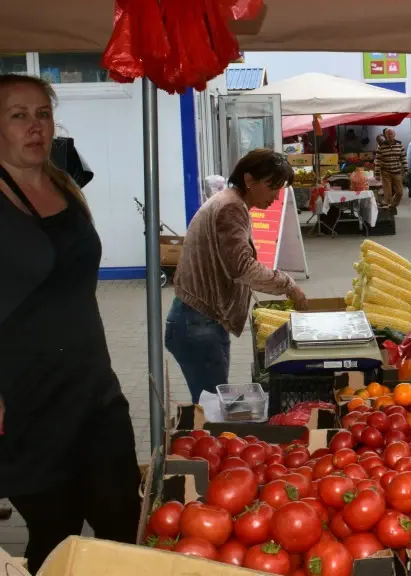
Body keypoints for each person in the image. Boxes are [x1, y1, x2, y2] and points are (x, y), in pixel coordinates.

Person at [0, 74, 141, 571]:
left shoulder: (63, 182)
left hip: (93, 390)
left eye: (43, 113)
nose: (35, 126)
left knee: (123, 520)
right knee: (54, 535)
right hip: (26, 401)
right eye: (18, 115)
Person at [166, 149, 308, 404]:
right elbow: (243, 268)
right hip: (198, 323)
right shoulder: (231, 208)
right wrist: (289, 285)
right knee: (210, 409)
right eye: (271, 187)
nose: (276, 197)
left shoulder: (230, 202)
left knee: (211, 403)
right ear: (249, 180)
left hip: (200, 320)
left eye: (280, 189)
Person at [374, 128, 407, 215]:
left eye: (391, 133)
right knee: (388, 194)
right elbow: (377, 160)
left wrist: (406, 169)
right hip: (386, 172)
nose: (390, 135)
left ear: (394, 134)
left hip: (397, 172)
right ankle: (389, 211)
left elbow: (403, 158)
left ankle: (392, 206)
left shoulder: (399, 145)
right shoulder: (381, 146)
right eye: (388, 134)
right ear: (385, 136)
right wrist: (377, 173)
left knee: (400, 192)